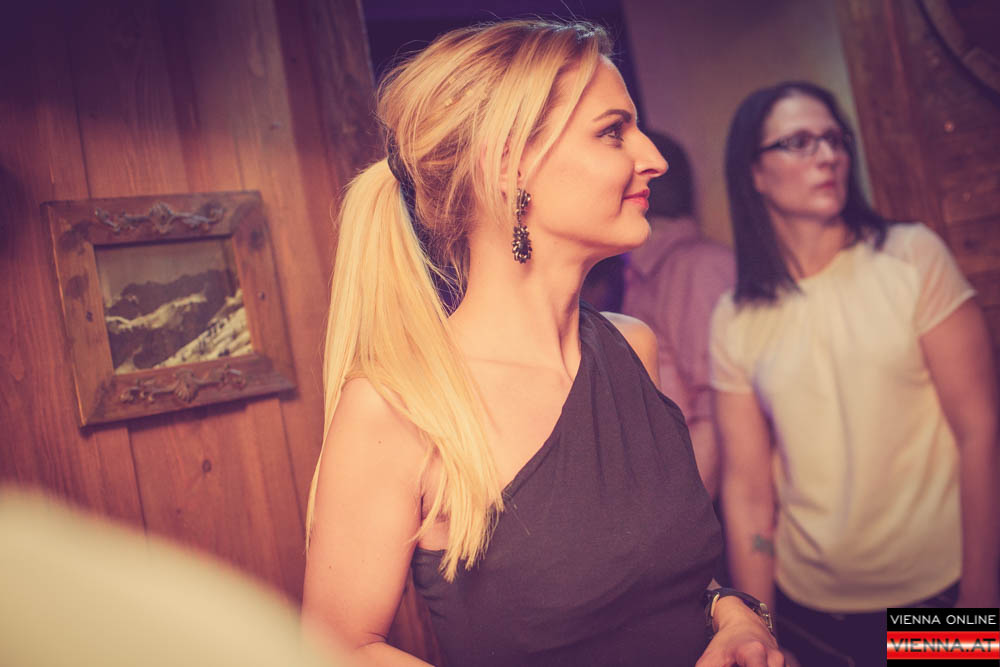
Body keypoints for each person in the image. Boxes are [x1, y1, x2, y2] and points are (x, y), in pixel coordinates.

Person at [301, 19, 783, 667]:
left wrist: (734, 615)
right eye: (613, 131)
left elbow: (656, 583)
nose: (654, 158)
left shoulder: (632, 348)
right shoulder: (402, 403)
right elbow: (336, 647)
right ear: (509, 166)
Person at [710, 81, 999, 665]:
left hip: (936, 594)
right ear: (755, 173)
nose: (828, 155)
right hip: (811, 608)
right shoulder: (735, 316)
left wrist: (979, 604)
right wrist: (763, 634)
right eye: (799, 142)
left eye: (834, 139)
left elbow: (981, 430)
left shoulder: (911, 257)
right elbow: (748, 492)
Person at [622, 132, 735, 498]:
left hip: (709, 504)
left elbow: (718, 409)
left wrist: (682, 516)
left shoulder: (697, 269)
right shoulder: (641, 275)